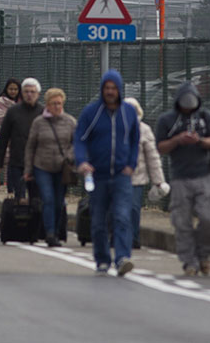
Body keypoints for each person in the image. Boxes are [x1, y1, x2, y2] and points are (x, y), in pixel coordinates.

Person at [74, 70, 140, 277]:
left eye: (114, 88)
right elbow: (80, 139)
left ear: (119, 90)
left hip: (121, 175)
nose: (110, 92)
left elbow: (135, 141)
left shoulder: (128, 113)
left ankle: (122, 258)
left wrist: (131, 164)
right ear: (102, 89)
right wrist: (82, 161)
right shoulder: (91, 113)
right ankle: (102, 259)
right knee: (98, 220)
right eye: (107, 88)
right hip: (98, 174)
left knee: (122, 216)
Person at [155, 82, 210, 276]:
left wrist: (199, 141)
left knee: (209, 219)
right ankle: (188, 261)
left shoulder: (205, 117)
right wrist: (177, 140)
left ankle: (204, 255)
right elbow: (160, 147)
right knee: (182, 223)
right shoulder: (166, 120)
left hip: (203, 175)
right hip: (180, 177)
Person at [24, 88, 77, 248]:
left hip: (62, 168)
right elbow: (31, 146)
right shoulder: (39, 123)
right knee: (47, 199)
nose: (57, 106)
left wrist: (70, 156)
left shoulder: (70, 122)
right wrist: (28, 169)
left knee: (58, 201)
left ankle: (56, 229)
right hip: (42, 166)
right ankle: (50, 233)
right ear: (47, 104)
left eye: (59, 103)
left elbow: (77, 144)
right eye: (53, 103)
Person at [125, 97, 167, 250]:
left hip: (138, 177)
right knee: (117, 208)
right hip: (117, 177)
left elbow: (153, 158)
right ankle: (117, 236)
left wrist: (158, 181)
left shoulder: (144, 130)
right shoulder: (114, 128)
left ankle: (134, 238)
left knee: (134, 208)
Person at [0, 78, 43, 198]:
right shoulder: (13, 112)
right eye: (26, 91)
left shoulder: (43, 112)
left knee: (36, 196)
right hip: (17, 159)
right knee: (20, 195)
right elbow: (3, 136)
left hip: (38, 161)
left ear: (38, 94)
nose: (29, 94)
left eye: (32, 92)